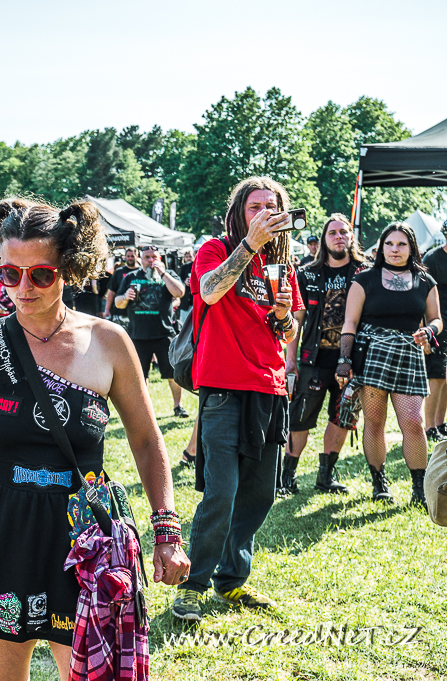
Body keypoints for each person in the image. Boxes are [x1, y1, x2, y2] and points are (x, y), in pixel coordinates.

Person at [0, 197, 189, 681]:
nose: (22, 288)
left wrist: (166, 531)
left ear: (68, 269)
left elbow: (147, 441)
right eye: (9, 274)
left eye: (40, 274)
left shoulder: (107, 342)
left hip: (84, 538)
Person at [171, 177, 304, 622]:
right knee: (222, 493)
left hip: (270, 389)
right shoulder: (216, 249)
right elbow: (210, 290)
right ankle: (193, 585)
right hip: (224, 388)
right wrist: (249, 245)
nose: (264, 213)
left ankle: (231, 580)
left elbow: (289, 332)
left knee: (259, 494)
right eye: (254, 206)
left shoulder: (282, 264)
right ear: (238, 213)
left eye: (272, 206)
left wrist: (284, 316)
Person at [337, 223, 440, 506]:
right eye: (389, 244)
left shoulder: (425, 280)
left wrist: (429, 330)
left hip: (409, 353)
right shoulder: (364, 279)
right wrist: (344, 361)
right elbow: (350, 323)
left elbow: (436, 319)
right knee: (375, 421)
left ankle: (419, 488)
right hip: (372, 355)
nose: (395, 249)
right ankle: (379, 481)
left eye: (402, 244)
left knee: (414, 423)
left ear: (412, 248)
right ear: (381, 247)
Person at [281, 215, 366, 496]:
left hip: (352, 362)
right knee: (300, 418)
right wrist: (290, 360)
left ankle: (326, 476)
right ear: (324, 239)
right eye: (332, 233)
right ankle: (287, 477)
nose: (339, 237)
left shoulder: (364, 273)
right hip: (313, 360)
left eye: (344, 232)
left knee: (342, 416)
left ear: (351, 237)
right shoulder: (307, 274)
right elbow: (297, 319)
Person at [115, 245, 188, 417]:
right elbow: (118, 303)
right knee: (141, 376)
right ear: (141, 259)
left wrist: (162, 273)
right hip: (138, 334)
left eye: (154, 257)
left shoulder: (168, 275)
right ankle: (144, 411)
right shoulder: (131, 277)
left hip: (164, 333)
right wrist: (125, 297)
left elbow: (180, 292)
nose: (150, 260)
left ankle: (178, 406)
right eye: (147, 257)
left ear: (159, 258)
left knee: (172, 373)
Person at [421, 218, 447, 442]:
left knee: (446, 378)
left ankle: (440, 423)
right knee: (437, 376)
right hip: (437, 326)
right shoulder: (432, 259)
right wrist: (425, 332)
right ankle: (429, 427)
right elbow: (421, 296)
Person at [104, 248, 138, 325]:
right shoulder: (119, 272)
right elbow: (111, 292)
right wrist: (107, 309)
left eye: (132, 256)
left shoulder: (141, 272)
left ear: (137, 256)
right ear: (125, 257)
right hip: (119, 312)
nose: (130, 258)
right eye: (128, 256)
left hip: (136, 313)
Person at [178, 249, 195, 327]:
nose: (188, 258)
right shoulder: (183, 267)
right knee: (183, 324)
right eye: (187, 257)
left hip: (194, 299)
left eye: (190, 256)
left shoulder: (196, 265)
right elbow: (179, 280)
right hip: (185, 301)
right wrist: (184, 282)